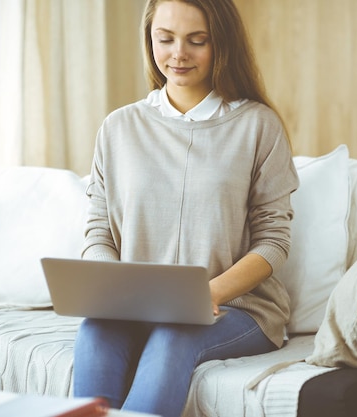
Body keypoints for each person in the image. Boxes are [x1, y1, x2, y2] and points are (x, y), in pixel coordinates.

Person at [72, 0, 299, 416]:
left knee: (176, 331)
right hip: (135, 304)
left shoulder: (257, 125)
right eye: (165, 39)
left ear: (221, 45)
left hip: (237, 309)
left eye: (197, 41)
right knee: (96, 328)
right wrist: (112, 288)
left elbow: (273, 241)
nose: (178, 54)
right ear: (150, 40)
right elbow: (98, 231)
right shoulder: (119, 128)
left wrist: (204, 294)